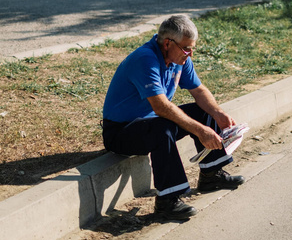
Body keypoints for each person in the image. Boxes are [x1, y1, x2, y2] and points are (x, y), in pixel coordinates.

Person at [102, 14, 245, 220]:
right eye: (187, 48)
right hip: (121, 132)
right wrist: (200, 130)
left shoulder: (179, 57)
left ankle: (211, 175)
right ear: (168, 43)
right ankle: (167, 201)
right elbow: (161, 107)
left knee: (204, 111)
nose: (190, 54)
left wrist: (218, 113)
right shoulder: (145, 58)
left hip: (151, 122)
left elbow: (199, 91)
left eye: (192, 48)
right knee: (163, 128)